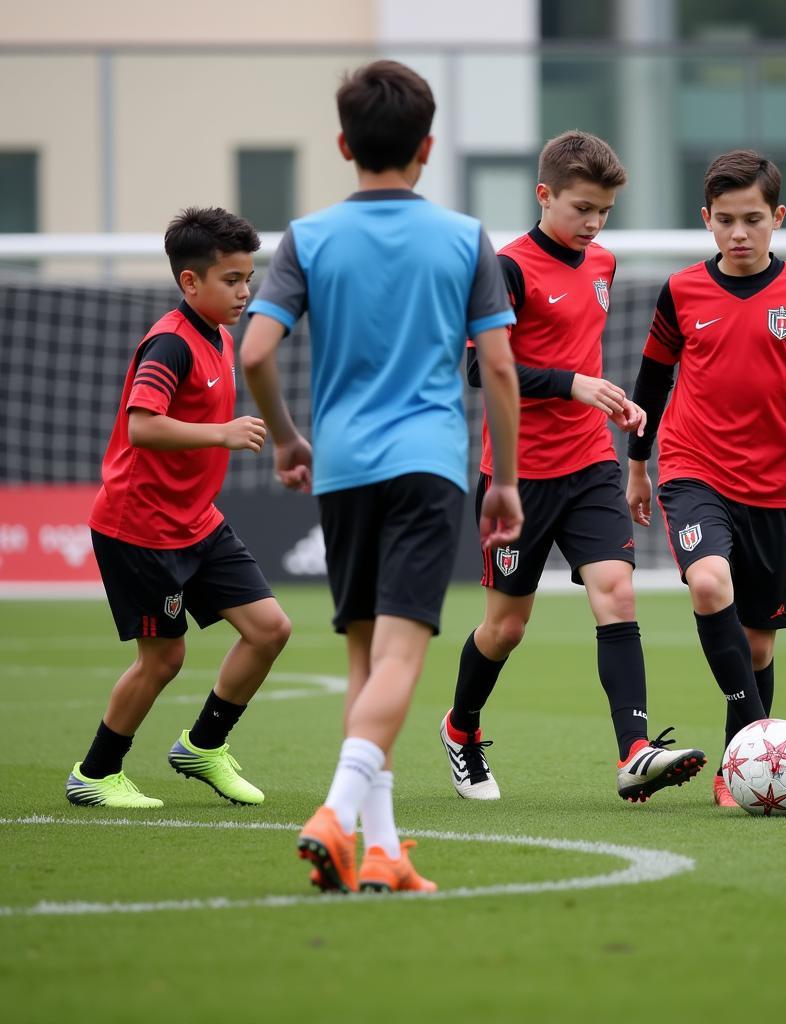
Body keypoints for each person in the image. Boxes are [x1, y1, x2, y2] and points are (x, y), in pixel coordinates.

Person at [241, 60, 522, 895]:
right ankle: (334, 813)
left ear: (341, 144)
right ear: (428, 147)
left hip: (346, 470)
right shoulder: (465, 238)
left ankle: (385, 851)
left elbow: (255, 350)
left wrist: (289, 439)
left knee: (367, 655)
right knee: (402, 658)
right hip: (428, 464)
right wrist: (505, 480)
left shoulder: (310, 236)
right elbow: (500, 373)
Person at [439, 130, 706, 805]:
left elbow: (578, 356)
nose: (593, 224)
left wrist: (610, 401)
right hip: (517, 479)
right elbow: (478, 367)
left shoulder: (603, 264)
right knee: (507, 627)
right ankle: (461, 729)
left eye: (604, 212)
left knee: (616, 593)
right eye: (581, 208)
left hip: (589, 463)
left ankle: (635, 752)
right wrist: (571, 384)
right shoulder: (506, 268)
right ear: (543, 195)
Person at [626, 150, 786, 807]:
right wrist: (638, 466)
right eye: (725, 220)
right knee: (708, 579)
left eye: (752, 219)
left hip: (774, 487)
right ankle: (753, 751)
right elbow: (652, 381)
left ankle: (740, 766)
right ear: (706, 219)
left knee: (758, 645)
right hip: (694, 468)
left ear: (777, 217)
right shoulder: (682, 291)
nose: (738, 233)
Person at [67, 207, 292, 810]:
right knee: (164, 658)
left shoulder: (218, 332)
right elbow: (143, 427)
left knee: (270, 629)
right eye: (232, 280)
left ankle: (203, 746)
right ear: (190, 282)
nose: (245, 291)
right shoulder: (170, 341)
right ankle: (95, 773)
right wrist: (220, 433)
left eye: (249, 277)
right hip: (139, 526)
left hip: (198, 521)